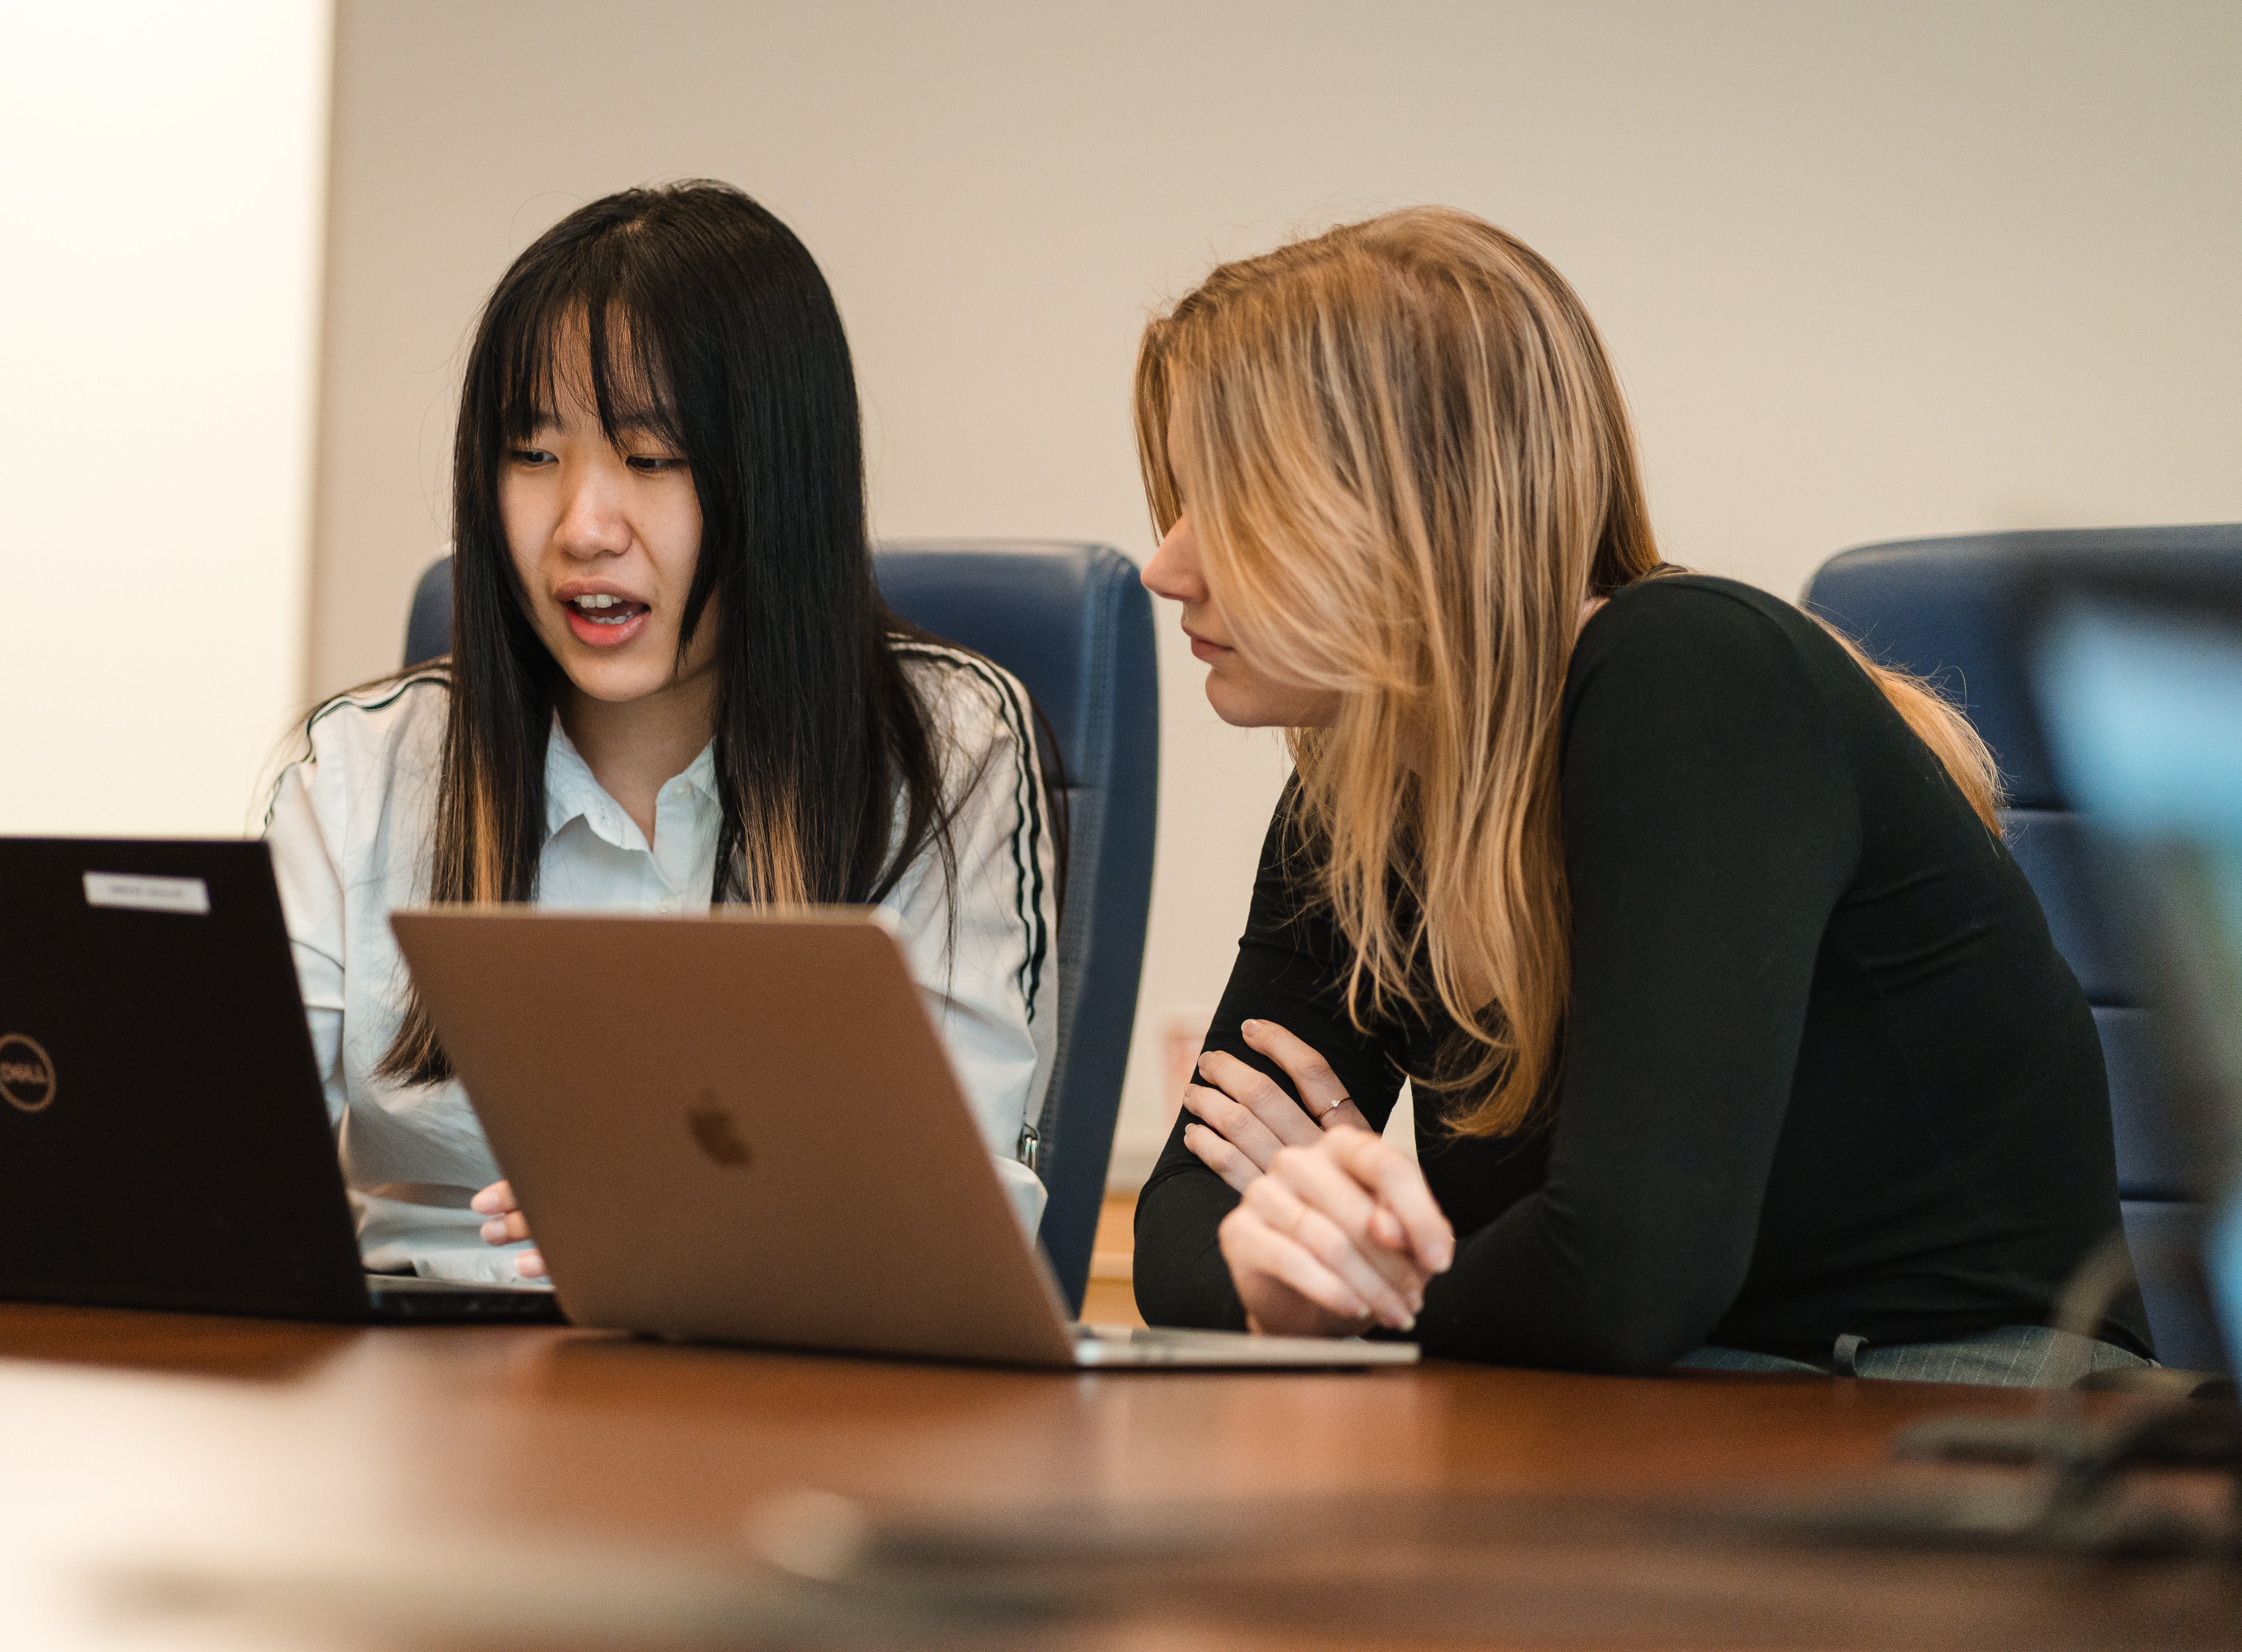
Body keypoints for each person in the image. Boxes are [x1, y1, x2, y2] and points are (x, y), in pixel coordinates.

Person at [1128, 206, 2154, 1383]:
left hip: (1959, 1411)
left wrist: (1355, 1283)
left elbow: (1623, 1279)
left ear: (1403, 502)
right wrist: (1289, 1266)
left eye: (1226, 503)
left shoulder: (1693, 679)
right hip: (1643, 1406)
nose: (1165, 564)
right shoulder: (1358, 794)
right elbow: (1179, 1233)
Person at [266, 182, 1054, 1283]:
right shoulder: (360, 766)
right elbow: (221, 1177)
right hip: (423, 1384)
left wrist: (700, 1230)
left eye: (651, 458)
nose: (583, 528)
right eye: (534, 456)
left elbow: (969, 1224)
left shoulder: (940, 751)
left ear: (779, 482)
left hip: (776, 1392)